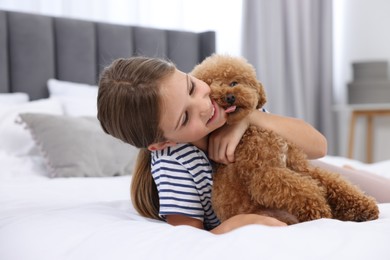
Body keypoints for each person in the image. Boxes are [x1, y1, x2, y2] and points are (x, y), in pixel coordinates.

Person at [97, 56, 332, 234]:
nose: (203, 105)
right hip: (276, 206)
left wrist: (248, 118)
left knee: (352, 183)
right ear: (162, 143)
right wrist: (234, 225)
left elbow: (319, 147)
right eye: (185, 118)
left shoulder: (227, 99)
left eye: (191, 88)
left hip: (299, 176)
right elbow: (188, 237)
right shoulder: (174, 162)